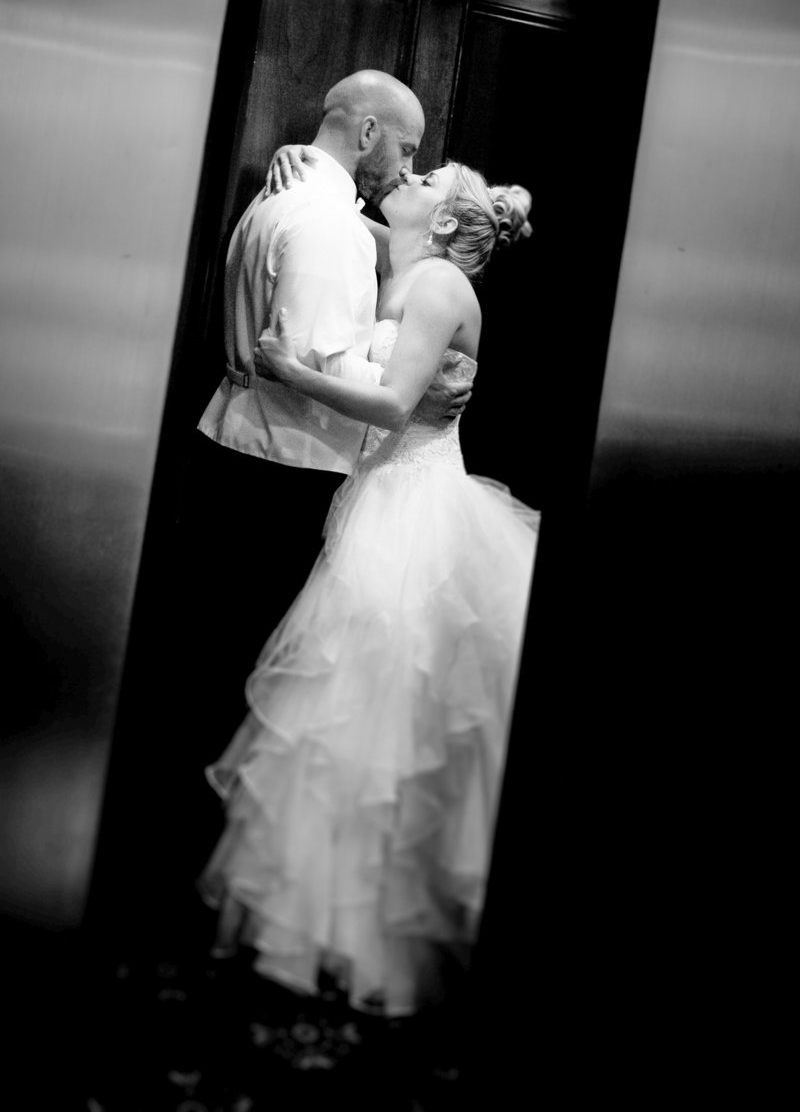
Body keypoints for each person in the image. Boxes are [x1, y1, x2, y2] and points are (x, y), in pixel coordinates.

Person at [198, 156, 539, 1027]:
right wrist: (304, 161)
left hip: (415, 508)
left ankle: (369, 936)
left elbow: (390, 405)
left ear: (450, 223)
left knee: (377, 720)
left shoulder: (434, 287)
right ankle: (321, 922)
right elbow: (346, 206)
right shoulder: (409, 257)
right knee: (348, 719)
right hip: (376, 498)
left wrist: (284, 367)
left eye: (429, 177)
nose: (412, 175)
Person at [178, 71, 473, 750]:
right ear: (368, 132)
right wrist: (416, 384)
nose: (409, 168)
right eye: (407, 149)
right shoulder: (330, 225)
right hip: (286, 465)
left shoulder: (278, 198)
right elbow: (320, 364)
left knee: (224, 649)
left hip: (242, 446)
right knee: (252, 664)